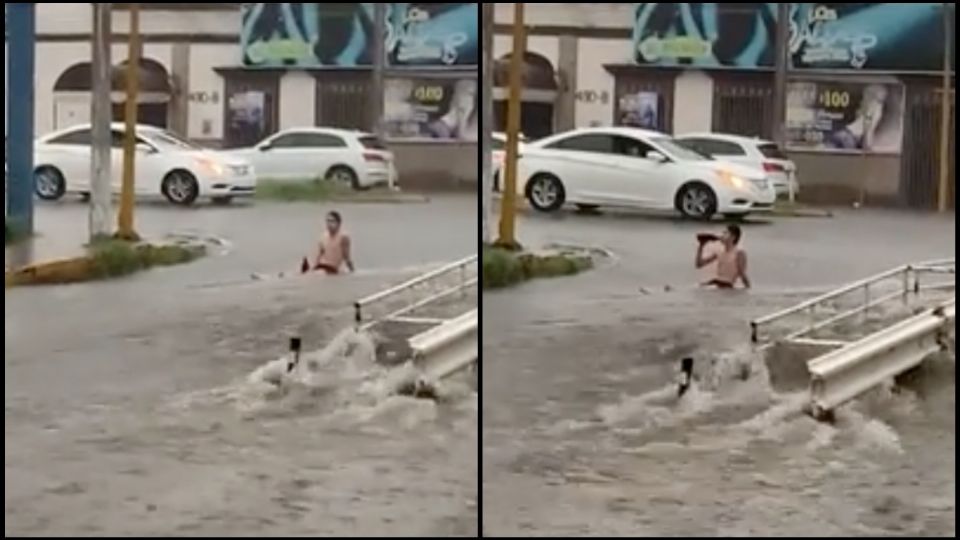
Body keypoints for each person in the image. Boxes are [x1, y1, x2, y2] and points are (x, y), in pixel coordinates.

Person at [695, 224, 750, 290]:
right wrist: (701, 245)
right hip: (716, 282)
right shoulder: (719, 251)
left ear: (733, 237)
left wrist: (748, 289)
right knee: (697, 288)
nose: (722, 235)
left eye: (725, 233)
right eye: (723, 233)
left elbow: (742, 273)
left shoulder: (739, 253)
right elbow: (699, 264)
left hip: (727, 285)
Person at [311, 211, 354, 275]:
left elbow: (347, 257)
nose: (329, 224)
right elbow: (317, 257)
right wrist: (311, 270)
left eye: (332, 221)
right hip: (323, 269)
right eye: (327, 221)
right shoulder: (323, 237)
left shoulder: (343, 237)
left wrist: (353, 271)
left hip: (335, 270)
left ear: (339, 223)